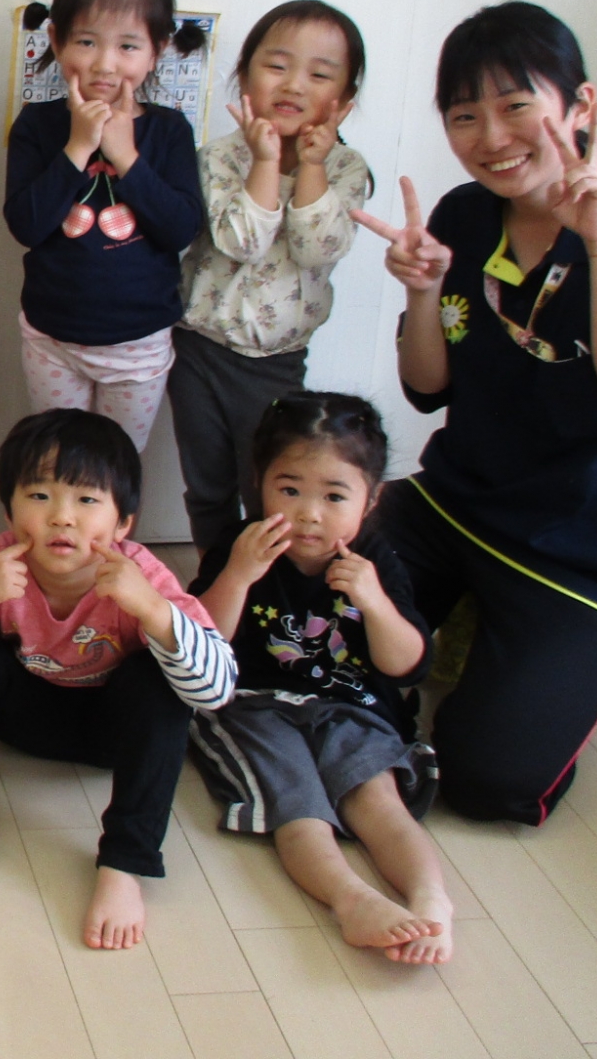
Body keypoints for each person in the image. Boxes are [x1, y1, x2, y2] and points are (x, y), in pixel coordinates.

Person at [354, 2, 597, 823]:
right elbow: (426, 387)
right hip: (455, 505)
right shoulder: (465, 214)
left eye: (515, 106)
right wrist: (422, 292)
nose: (492, 137)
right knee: (291, 631)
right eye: (464, 115)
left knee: (489, 783)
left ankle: (480, 646)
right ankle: (453, 629)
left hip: (584, 553)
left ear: (580, 106)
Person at [0, 410, 235, 949]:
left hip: (114, 732)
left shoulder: (140, 573)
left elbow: (216, 689)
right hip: (24, 720)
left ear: (123, 524)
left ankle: (125, 863)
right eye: (40, 495)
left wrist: (152, 610)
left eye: (87, 499)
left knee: (158, 675)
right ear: (9, 512)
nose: (62, 517)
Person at [188, 394, 451, 963]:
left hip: (353, 704)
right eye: (289, 490)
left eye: (334, 496)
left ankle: (432, 900)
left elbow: (408, 664)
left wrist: (374, 602)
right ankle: (351, 899)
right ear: (259, 484)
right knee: (299, 804)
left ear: (372, 500)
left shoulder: (375, 558)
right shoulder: (241, 544)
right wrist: (238, 575)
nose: (309, 513)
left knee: (377, 799)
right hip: (256, 703)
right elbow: (199, 642)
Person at [170, 0, 373, 553]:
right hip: (198, 349)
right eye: (277, 66)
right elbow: (242, 241)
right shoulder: (219, 158)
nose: (294, 84)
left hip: (276, 362)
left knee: (268, 486)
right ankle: (215, 578)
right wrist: (263, 162)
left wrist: (311, 166)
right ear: (245, 78)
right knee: (206, 485)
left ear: (344, 101)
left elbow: (316, 248)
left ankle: (268, 585)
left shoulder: (346, 169)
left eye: (320, 74)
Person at [2, 0, 204, 449]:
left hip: (139, 344)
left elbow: (181, 229)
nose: (104, 64)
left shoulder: (169, 131)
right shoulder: (38, 125)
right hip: (52, 338)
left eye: (128, 46)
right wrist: (78, 147)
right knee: (57, 461)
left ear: (157, 50)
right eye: (86, 41)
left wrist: (126, 157)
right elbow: (26, 225)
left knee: (118, 465)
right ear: (56, 39)